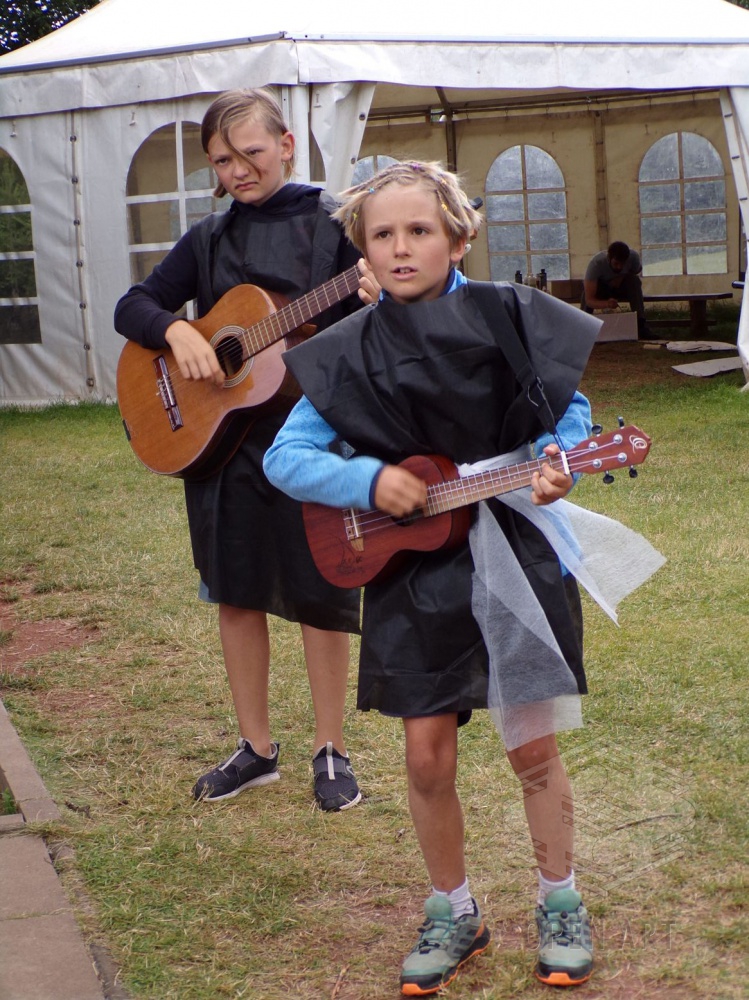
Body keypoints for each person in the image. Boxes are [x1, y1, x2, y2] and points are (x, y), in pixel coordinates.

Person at [263, 160, 606, 994]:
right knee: (424, 757)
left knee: (531, 744)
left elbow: (568, 413)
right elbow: (285, 457)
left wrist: (557, 459)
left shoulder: (509, 317)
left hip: (514, 551)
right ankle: (453, 910)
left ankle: (558, 898)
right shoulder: (344, 351)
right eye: (382, 234)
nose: (400, 247)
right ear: (362, 252)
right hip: (412, 570)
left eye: (418, 230)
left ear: (457, 238)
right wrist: (366, 481)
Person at [114, 88, 376, 812]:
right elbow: (133, 305)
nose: (237, 172)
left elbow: (381, 313)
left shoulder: (338, 225)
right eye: (221, 162)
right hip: (223, 443)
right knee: (235, 591)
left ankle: (331, 750)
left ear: (286, 146)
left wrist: (378, 295)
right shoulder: (208, 238)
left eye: (250, 154)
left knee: (322, 592)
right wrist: (177, 331)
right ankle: (255, 749)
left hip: (314, 434)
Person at [581, 240, 653, 338]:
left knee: (634, 281)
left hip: (621, 288)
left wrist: (621, 277)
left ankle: (641, 324)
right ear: (609, 258)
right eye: (616, 263)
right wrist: (607, 304)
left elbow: (637, 270)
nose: (619, 267)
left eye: (623, 264)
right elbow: (589, 300)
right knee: (586, 294)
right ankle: (583, 327)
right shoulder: (596, 264)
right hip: (602, 289)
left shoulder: (633, 257)